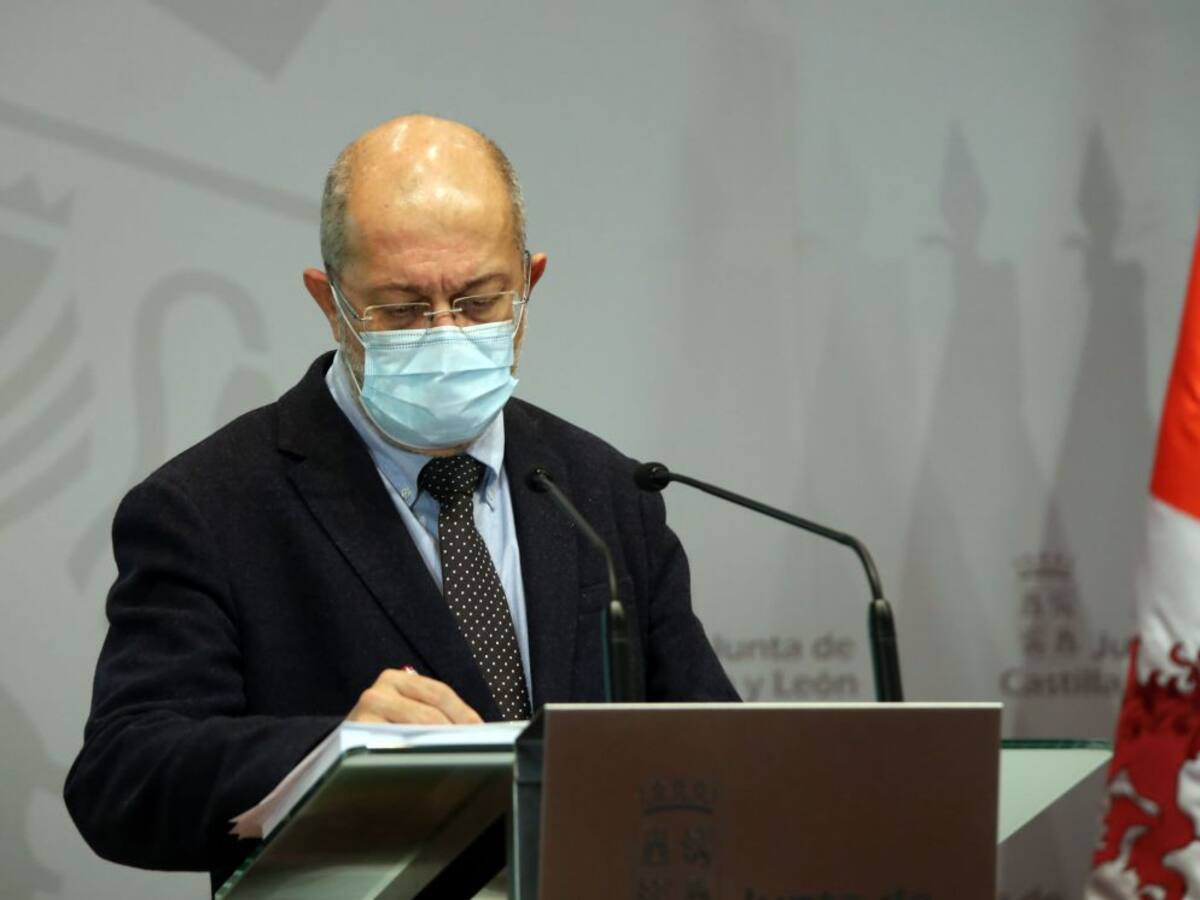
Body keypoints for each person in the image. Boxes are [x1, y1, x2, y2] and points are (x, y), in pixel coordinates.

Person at [63, 114, 737, 889]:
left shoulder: (604, 492)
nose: (444, 333)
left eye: (478, 301)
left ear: (530, 284)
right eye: (402, 309)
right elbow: (122, 775)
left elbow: (716, 756)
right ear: (329, 301)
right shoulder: (208, 508)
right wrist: (333, 756)